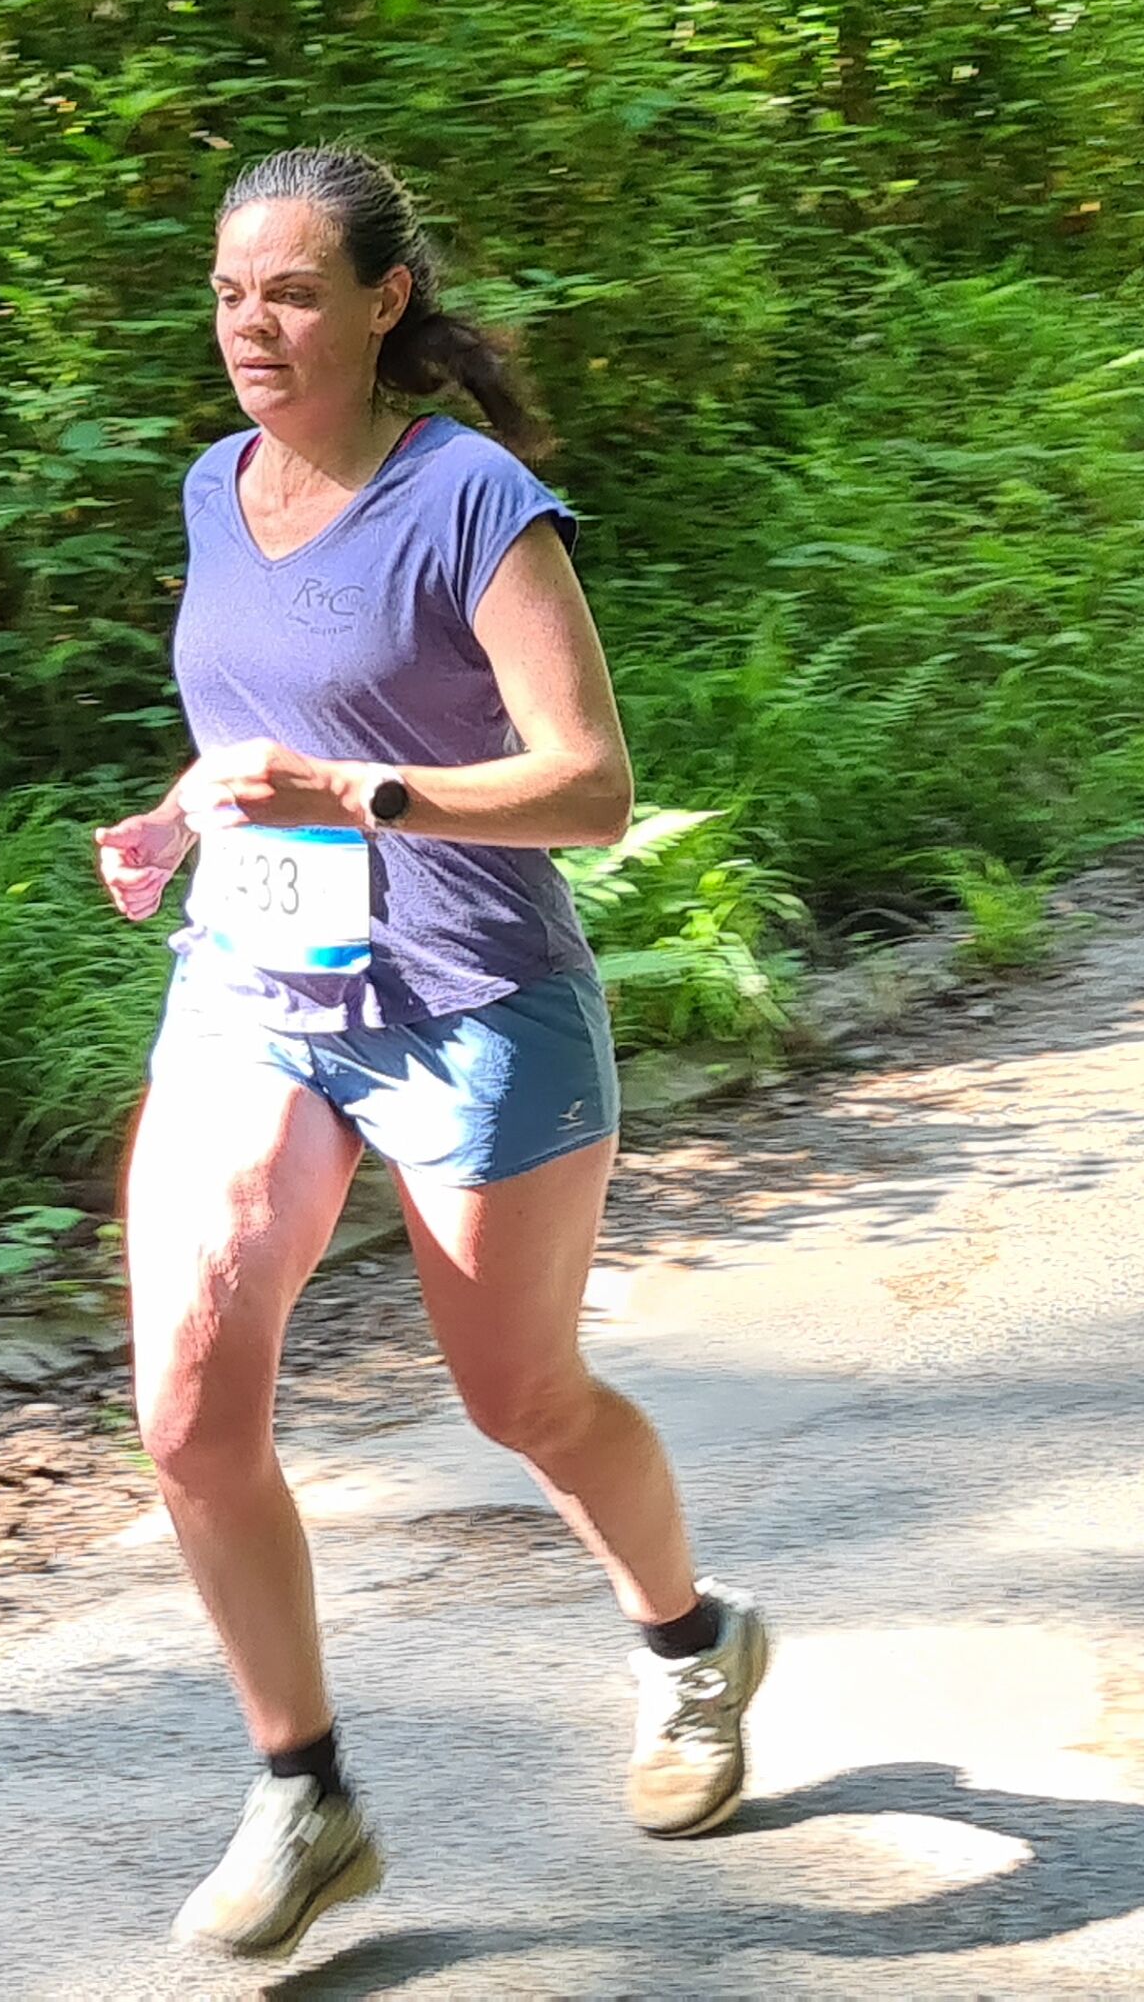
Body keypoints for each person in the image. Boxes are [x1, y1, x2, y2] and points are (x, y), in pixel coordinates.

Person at [91, 145, 773, 1961]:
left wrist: (361, 794)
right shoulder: (217, 488)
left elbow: (591, 788)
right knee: (187, 1408)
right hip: (258, 990)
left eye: (292, 292)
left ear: (384, 301)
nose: (252, 326)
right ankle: (303, 1794)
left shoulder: (473, 500)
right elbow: (254, 727)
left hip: (472, 1003)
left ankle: (693, 1644)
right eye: (230, 293)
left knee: (520, 1399)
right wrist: (175, 819)